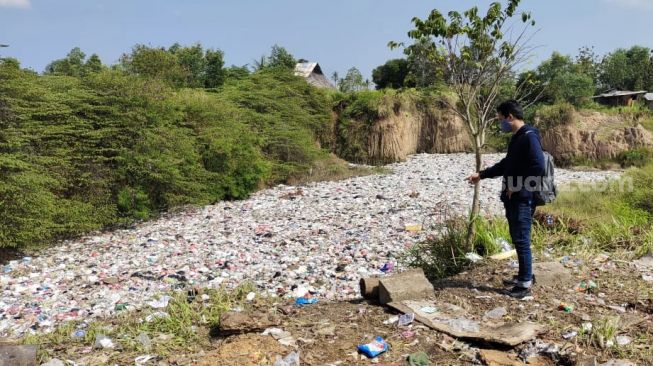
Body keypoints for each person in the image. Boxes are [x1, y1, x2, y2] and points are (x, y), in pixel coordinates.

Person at [466, 100, 545, 299]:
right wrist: (481, 174)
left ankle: (525, 286)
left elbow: (538, 166)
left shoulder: (528, 136)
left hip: (523, 198)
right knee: (518, 238)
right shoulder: (517, 138)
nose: (500, 123)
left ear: (510, 116)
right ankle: (522, 277)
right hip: (514, 198)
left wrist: (516, 186)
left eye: (501, 119)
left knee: (522, 239)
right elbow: (506, 164)